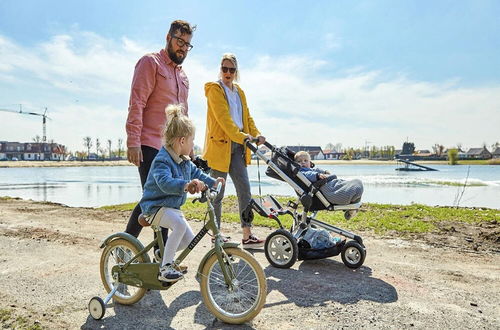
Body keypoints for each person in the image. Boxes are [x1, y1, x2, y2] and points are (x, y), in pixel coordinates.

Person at [125, 20, 195, 248]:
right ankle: (125, 248)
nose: (183, 47)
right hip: (149, 144)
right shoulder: (150, 63)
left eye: (187, 44)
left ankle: (160, 256)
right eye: (179, 41)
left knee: (164, 200)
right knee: (156, 199)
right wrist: (133, 141)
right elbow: (137, 103)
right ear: (168, 38)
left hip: (172, 149)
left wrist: (189, 151)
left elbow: (183, 116)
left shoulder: (183, 77)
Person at [139, 105, 224, 282]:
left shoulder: (185, 161)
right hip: (155, 206)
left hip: (170, 207)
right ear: (182, 141)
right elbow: (164, 183)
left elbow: (198, 174)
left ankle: (162, 255)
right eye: (192, 141)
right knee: (179, 226)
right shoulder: (162, 159)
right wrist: (186, 185)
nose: (193, 145)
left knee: (189, 241)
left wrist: (212, 182)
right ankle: (165, 267)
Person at [202, 53, 266, 249]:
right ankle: (216, 236)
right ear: (220, 69)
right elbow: (225, 121)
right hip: (221, 146)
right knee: (217, 193)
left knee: (244, 190)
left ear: (236, 72)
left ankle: (247, 235)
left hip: (238, 147)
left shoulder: (239, 92)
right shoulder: (214, 89)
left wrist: (256, 134)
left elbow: (247, 118)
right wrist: (243, 136)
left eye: (231, 69)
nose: (227, 73)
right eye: (224, 68)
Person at [294, 151, 364, 206]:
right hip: (326, 189)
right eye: (299, 161)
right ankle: (350, 202)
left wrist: (324, 171)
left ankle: (351, 207)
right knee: (356, 186)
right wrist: (317, 175)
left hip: (330, 183)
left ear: (310, 162)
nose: (302, 163)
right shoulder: (301, 172)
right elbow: (308, 174)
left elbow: (316, 169)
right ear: (296, 164)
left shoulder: (311, 170)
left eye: (305, 160)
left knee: (355, 183)